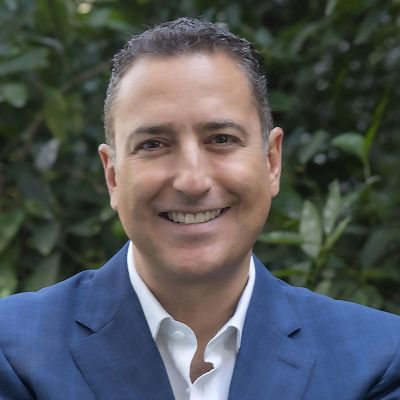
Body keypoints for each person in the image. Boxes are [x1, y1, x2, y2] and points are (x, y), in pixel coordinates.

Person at [0, 17, 399, 400]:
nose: (192, 181)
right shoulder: (13, 350)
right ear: (113, 176)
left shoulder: (377, 357)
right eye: (153, 144)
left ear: (272, 162)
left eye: (221, 139)